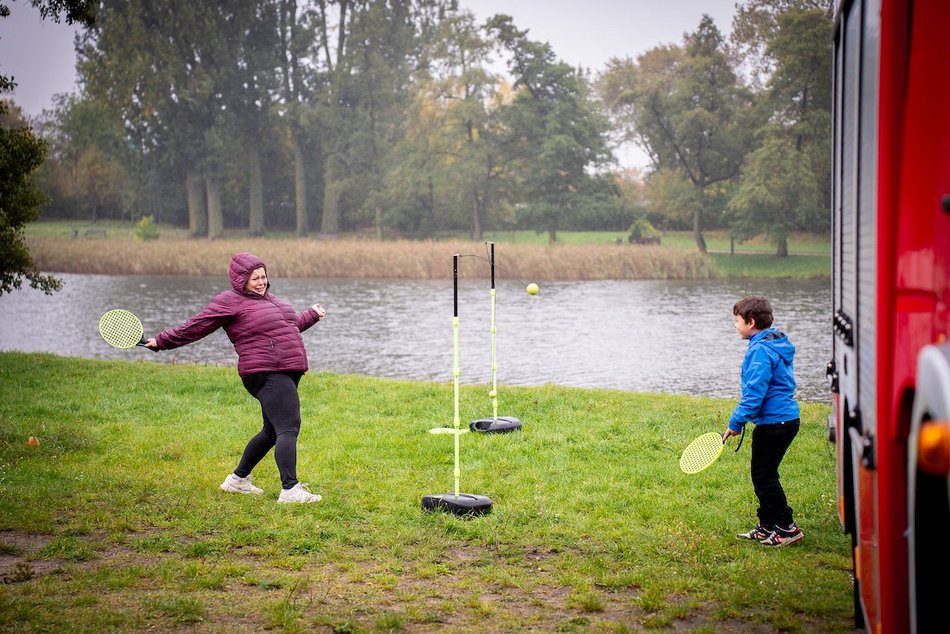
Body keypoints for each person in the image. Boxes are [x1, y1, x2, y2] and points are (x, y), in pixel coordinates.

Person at [145, 252, 325, 504]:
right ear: (241, 280)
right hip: (266, 371)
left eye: (263, 277)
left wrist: (312, 315)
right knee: (288, 427)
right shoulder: (230, 301)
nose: (261, 282)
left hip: (284, 368)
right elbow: (197, 325)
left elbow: (288, 326)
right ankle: (290, 489)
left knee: (272, 431)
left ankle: (237, 480)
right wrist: (162, 341)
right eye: (255, 279)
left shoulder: (270, 300)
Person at [723, 296, 804, 547]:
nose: (735, 325)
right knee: (763, 474)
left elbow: (754, 394)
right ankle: (767, 526)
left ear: (751, 322)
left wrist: (735, 423)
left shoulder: (760, 351)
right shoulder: (773, 342)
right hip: (781, 421)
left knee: (764, 476)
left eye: (737, 321)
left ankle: (787, 528)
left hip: (775, 423)